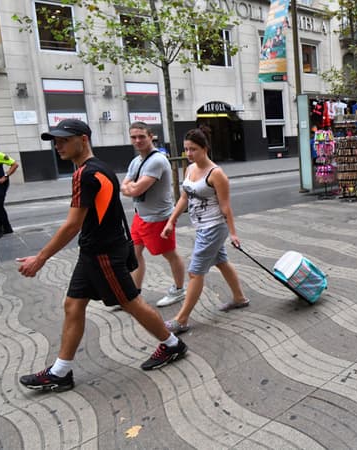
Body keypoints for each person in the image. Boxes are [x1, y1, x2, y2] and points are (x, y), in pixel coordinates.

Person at [17, 119, 188, 392]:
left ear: (83, 139)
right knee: (73, 305)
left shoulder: (84, 174)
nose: (57, 146)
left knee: (132, 303)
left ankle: (172, 345)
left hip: (102, 254)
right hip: (94, 252)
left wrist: (40, 259)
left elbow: (72, 224)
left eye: (63, 140)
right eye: (55, 141)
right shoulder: (100, 168)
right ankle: (61, 371)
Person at [160, 128, 248, 334]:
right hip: (200, 227)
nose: (189, 154)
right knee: (221, 262)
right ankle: (239, 298)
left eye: (194, 149)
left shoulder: (216, 174)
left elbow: (226, 206)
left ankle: (181, 320)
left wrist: (233, 233)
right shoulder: (189, 169)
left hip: (214, 227)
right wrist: (171, 221)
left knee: (195, 272)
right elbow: (184, 197)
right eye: (186, 150)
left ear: (205, 148)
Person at [121, 122, 187, 307]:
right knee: (135, 254)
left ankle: (179, 290)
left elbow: (134, 189)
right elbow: (124, 186)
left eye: (142, 136)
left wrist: (130, 188)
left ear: (151, 136)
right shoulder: (137, 161)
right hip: (140, 216)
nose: (137, 140)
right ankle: (134, 292)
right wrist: (129, 187)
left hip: (158, 218)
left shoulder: (156, 160)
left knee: (169, 254)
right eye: (134, 137)